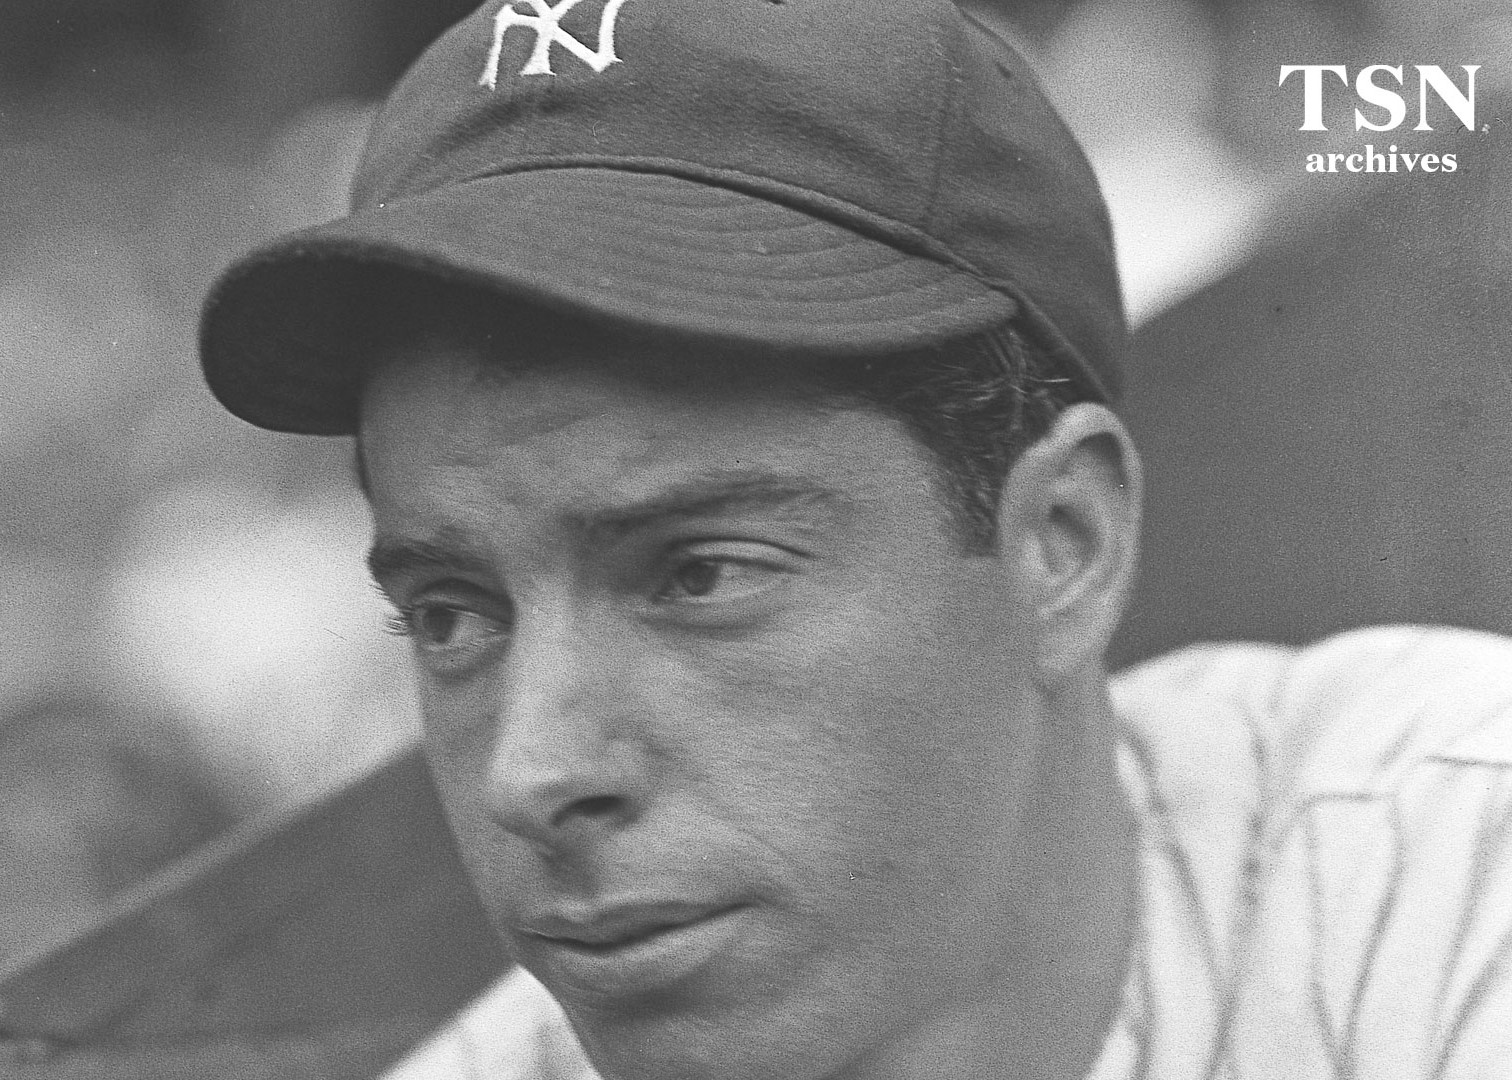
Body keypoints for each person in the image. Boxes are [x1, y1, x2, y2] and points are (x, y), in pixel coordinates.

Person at [196, 1, 1512, 1077]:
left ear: (1064, 542)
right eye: (450, 613)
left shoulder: (1446, 863)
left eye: (699, 574)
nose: (531, 773)